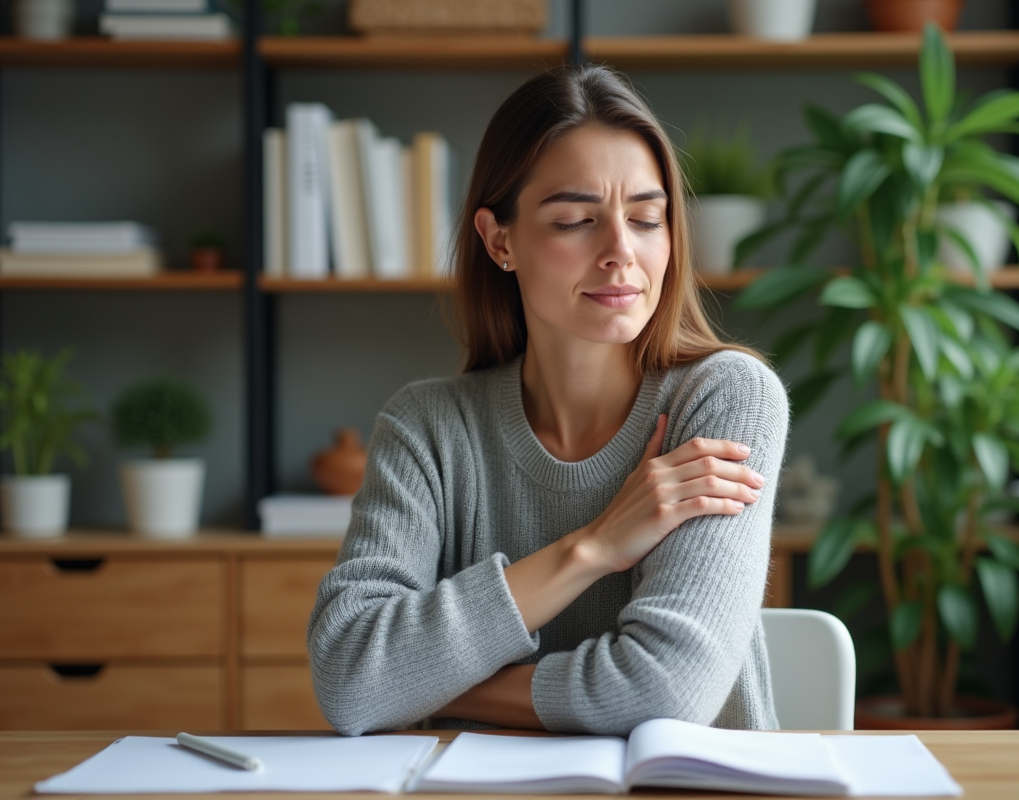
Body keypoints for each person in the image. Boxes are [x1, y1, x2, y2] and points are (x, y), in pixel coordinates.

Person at [307, 64, 789, 737]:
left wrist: (438, 687)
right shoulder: (427, 426)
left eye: (648, 219)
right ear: (499, 239)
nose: (622, 251)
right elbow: (349, 678)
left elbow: (662, 694)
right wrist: (591, 548)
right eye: (575, 220)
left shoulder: (726, 397)